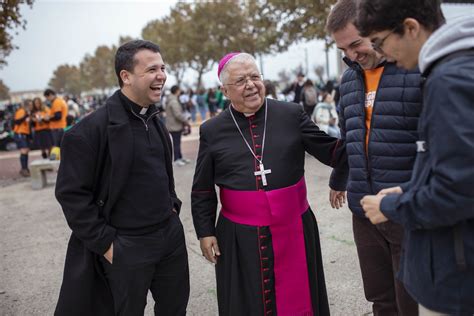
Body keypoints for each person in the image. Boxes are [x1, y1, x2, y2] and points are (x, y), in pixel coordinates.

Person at [191, 52, 348, 316]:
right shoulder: (212, 130)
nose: (251, 85)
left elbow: (330, 150)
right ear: (225, 91)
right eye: (241, 80)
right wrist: (205, 231)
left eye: (255, 76)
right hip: (240, 234)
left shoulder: (290, 114)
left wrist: (344, 169)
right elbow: (203, 188)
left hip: (294, 225)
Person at [54, 40, 190, 316]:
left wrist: (172, 207)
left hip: (169, 237)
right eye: (152, 69)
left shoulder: (155, 121)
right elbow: (71, 195)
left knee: (175, 309)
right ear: (125, 77)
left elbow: (163, 175)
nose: (161, 75)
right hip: (126, 245)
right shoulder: (88, 131)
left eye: (162, 68)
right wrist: (107, 244)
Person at [357, 1, 474, 315]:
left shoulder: (448, 80)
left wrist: (391, 206)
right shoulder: (457, 68)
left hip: (459, 283)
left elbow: (458, 192)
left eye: (381, 43)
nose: (383, 54)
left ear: (410, 28)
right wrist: (409, 189)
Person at [326, 0, 422, 314]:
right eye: (344, 50)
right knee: (380, 298)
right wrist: (339, 179)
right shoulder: (348, 82)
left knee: (412, 298)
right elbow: (348, 135)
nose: (352, 56)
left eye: (356, 44)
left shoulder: (413, 69)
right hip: (363, 210)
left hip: (405, 209)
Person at [166, 85, 191, 167]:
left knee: (177, 142)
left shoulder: (172, 99)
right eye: (179, 90)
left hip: (174, 125)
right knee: (176, 143)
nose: (180, 92)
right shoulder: (174, 101)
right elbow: (177, 114)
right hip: (174, 126)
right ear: (177, 91)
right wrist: (186, 120)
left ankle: (180, 157)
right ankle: (177, 159)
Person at [13, 100, 33, 177]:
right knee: (24, 150)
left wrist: (30, 137)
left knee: (26, 151)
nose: (32, 107)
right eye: (30, 105)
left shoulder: (28, 113)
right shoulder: (21, 111)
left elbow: (29, 126)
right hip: (19, 133)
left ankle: (25, 168)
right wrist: (26, 115)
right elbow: (17, 121)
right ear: (27, 105)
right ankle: (24, 169)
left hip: (25, 134)